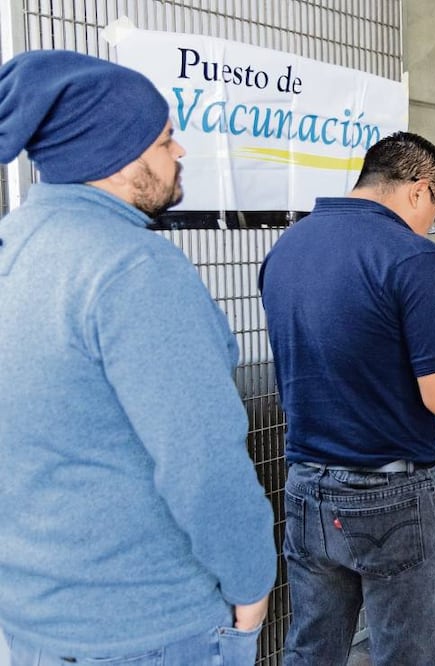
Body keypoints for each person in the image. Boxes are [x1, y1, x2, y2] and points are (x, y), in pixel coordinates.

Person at [0, 51, 276, 664]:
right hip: (151, 624)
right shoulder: (133, 270)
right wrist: (252, 581)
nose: (178, 154)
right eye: (165, 139)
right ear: (119, 157)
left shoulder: (16, 247)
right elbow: (202, 460)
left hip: (39, 621)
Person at [259, 132, 435, 665]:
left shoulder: (288, 246)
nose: (432, 225)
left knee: (312, 651)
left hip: (307, 485)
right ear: (420, 191)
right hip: (393, 492)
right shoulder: (413, 257)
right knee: (413, 654)